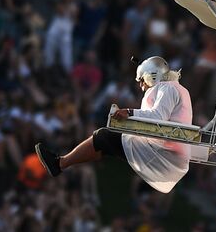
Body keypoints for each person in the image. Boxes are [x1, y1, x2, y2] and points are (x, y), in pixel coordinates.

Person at [35, 56, 192, 193]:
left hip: (165, 153)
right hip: (167, 150)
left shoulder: (168, 88)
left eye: (142, 80)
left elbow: (158, 117)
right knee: (105, 141)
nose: (141, 86)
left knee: (104, 136)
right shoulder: (173, 88)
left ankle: (60, 164)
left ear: (152, 76)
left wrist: (130, 112)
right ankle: (61, 163)